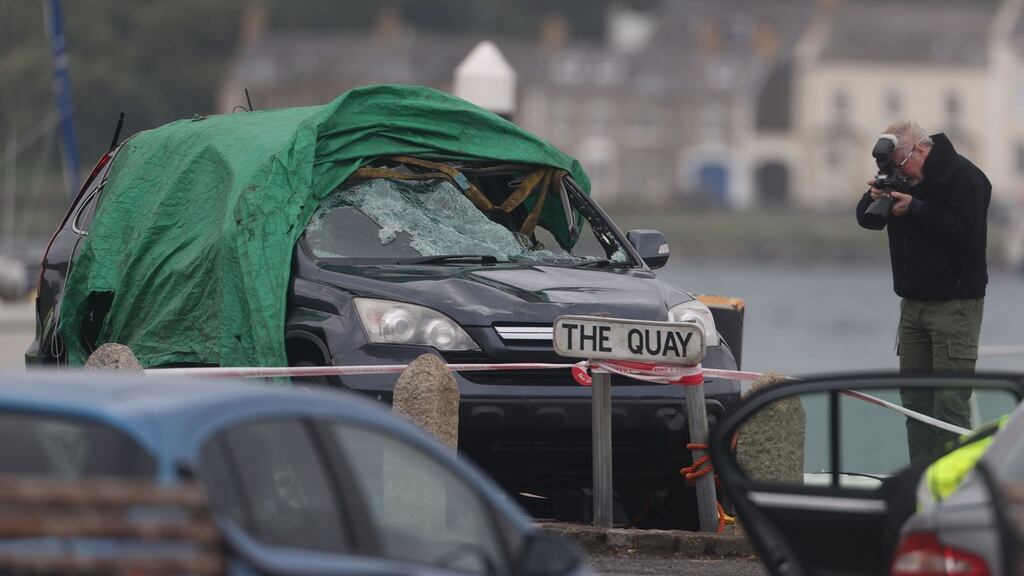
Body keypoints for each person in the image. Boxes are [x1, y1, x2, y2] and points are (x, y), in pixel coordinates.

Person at [856, 120, 991, 462]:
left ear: (920, 149)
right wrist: (875, 195)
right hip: (912, 305)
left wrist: (915, 208)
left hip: (955, 306)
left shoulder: (965, 177)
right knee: (915, 402)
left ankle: (955, 486)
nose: (899, 172)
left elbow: (966, 233)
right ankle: (920, 480)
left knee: (950, 403)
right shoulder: (903, 178)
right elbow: (866, 218)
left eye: (899, 163)